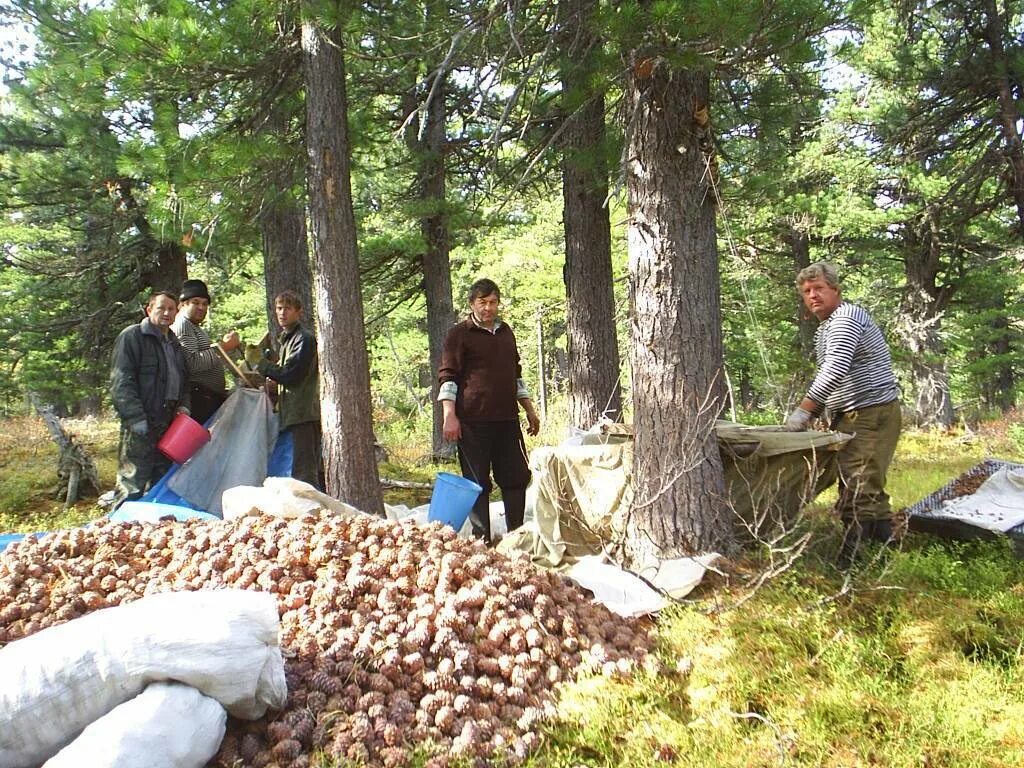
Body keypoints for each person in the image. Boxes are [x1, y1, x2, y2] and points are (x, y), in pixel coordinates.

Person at [784, 261, 902, 564]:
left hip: (870, 411)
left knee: (860, 484)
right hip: (855, 413)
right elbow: (834, 373)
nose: (813, 296)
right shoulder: (827, 327)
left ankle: (851, 561)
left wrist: (804, 413)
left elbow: (834, 369)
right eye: (807, 291)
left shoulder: (846, 317)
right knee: (862, 483)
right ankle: (883, 552)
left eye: (819, 288)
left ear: (835, 290)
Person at [438, 278, 541, 543]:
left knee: (516, 477)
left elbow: (515, 375)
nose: (488, 308)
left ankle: (516, 536)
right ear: (472, 303)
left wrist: (529, 410)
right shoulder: (459, 334)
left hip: (507, 420)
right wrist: (450, 416)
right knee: (477, 482)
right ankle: (481, 540)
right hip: (472, 422)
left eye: (493, 302)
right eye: (482, 303)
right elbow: (448, 378)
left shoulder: (506, 332)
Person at [109, 290, 192, 508]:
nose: (166, 313)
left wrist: (184, 407)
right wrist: (136, 419)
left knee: (162, 485)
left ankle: (155, 533)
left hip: (168, 425)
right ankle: (120, 531)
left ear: (177, 312)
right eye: (161, 308)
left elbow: (184, 382)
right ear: (149, 310)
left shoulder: (174, 344)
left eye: (171, 309)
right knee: (132, 485)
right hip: (140, 424)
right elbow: (121, 383)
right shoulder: (133, 337)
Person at [255, 290, 321, 489]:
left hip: (303, 413)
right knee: (296, 468)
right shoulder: (288, 340)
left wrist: (261, 364)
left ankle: (310, 513)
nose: (282, 313)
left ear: (298, 312)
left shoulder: (303, 339)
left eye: (288, 308)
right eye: (279, 308)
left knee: (304, 470)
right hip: (293, 413)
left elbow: (291, 375)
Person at [171, 278, 242, 425]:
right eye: (195, 302)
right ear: (183, 304)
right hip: (199, 398)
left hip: (207, 398)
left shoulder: (193, 326)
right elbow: (192, 363)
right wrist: (225, 347)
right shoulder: (184, 325)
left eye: (204, 304)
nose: (201, 307)